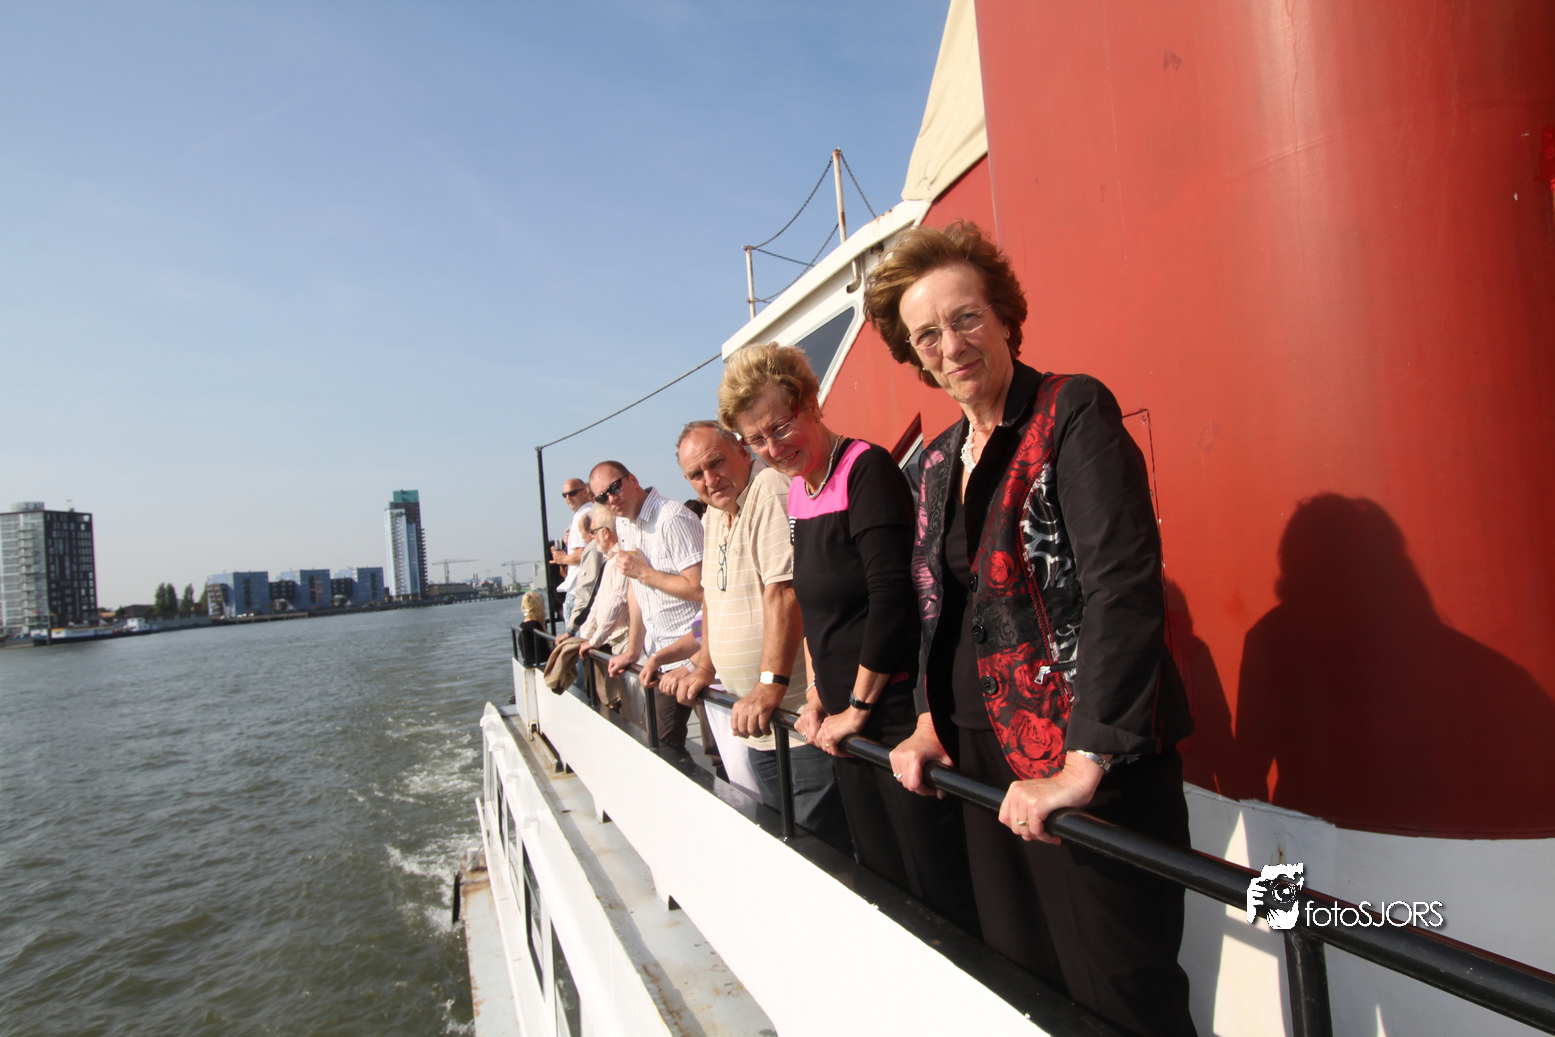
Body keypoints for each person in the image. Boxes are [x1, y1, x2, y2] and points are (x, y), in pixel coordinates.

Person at [866, 221, 1197, 1037]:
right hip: (984, 767)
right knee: (1027, 985)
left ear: (1004, 316)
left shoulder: (1071, 409)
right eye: (927, 335)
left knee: (1121, 995)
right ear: (914, 355)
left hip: (1085, 765)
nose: (951, 345)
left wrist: (1084, 762)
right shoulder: (937, 459)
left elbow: (1122, 585)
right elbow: (936, 604)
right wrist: (928, 723)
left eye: (965, 318)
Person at [717, 342, 977, 933]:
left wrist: (857, 708)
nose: (772, 448)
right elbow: (814, 608)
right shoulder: (798, 491)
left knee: (935, 891)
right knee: (883, 883)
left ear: (811, 401)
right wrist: (816, 699)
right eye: (756, 440)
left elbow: (891, 601)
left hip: (892, 717)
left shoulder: (866, 469)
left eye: (780, 427)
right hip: (843, 726)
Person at [658, 421, 852, 854]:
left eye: (716, 462)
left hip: (798, 724)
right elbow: (712, 597)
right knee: (787, 842)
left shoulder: (769, 489)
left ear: (742, 451)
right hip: (759, 725)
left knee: (819, 852)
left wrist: (768, 686)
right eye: (696, 474)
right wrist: (704, 665)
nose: (710, 479)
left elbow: (786, 593)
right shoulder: (713, 514)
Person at [589, 460, 705, 756]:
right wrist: (632, 650)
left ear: (633, 479)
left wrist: (645, 573)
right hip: (660, 657)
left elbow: (700, 589)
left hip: (700, 650)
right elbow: (636, 590)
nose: (611, 498)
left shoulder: (671, 518)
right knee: (660, 746)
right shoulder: (625, 525)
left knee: (720, 754)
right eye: (602, 496)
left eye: (615, 487)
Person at [575, 508, 637, 722]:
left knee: (636, 710)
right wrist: (586, 637)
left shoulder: (623, 559)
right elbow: (598, 605)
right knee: (628, 708)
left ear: (606, 532)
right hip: (615, 645)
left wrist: (594, 640)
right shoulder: (609, 562)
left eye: (593, 532)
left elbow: (617, 604)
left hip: (627, 643)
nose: (591, 537)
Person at [552, 478, 594, 626]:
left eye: (572, 493)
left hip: (578, 591)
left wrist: (562, 559)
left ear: (584, 492)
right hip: (584, 590)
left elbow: (582, 554)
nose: (568, 498)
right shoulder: (589, 513)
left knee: (574, 638)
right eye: (565, 495)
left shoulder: (583, 516)